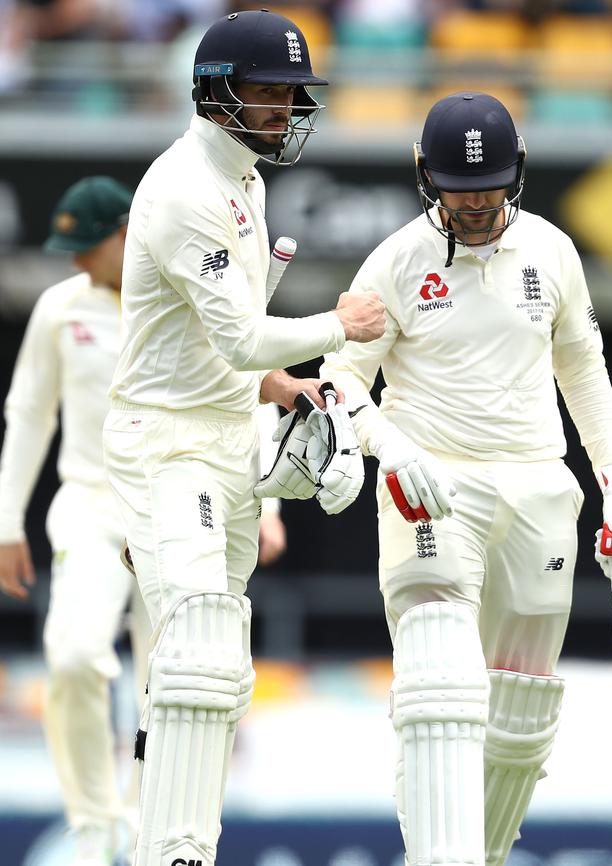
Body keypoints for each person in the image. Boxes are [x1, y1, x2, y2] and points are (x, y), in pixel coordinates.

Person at [321, 91, 612, 866]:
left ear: (519, 173)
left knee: (521, 702)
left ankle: (482, 856)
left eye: (490, 184)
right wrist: (389, 446)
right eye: (457, 186)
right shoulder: (395, 260)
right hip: (432, 485)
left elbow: (584, 370)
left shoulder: (553, 251)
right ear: (423, 176)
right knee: (442, 684)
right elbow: (339, 378)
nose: (474, 202)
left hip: (539, 485)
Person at [101, 9, 385, 866]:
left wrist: (282, 392)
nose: (286, 108)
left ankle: (183, 846)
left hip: (223, 436)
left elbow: (225, 349)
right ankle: (172, 852)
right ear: (214, 91)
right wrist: (337, 327)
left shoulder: (248, 183)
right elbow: (234, 338)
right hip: (166, 444)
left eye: (293, 94)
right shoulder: (187, 187)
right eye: (267, 92)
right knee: (193, 645)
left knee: (218, 669)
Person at [0, 176, 151, 866]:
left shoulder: (178, 296)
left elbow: (245, 382)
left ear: (126, 235)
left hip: (175, 508)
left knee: (174, 685)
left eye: (86, 246)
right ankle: (94, 828)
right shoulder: (62, 308)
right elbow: (30, 413)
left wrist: (265, 506)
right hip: (89, 503)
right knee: (71, 654)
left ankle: (154, 824)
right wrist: (6, 521)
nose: (74, 262)